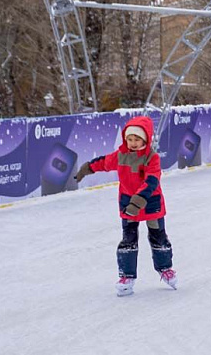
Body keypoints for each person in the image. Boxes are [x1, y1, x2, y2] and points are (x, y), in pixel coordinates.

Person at [73, 115, 177, 296]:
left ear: (145, 139)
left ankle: (165, 269)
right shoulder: (121, 155)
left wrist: (138, 201)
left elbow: (151, 181)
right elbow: (104, 162)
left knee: (158, 236)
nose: (133, 142)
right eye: (130, 139)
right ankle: (127, 276)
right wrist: (87, 168)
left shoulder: (152, 158)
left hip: (151, 204)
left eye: (137, 139)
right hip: (128, 204)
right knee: (128, 239)